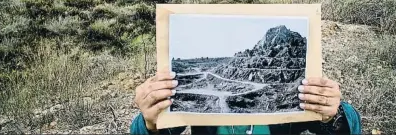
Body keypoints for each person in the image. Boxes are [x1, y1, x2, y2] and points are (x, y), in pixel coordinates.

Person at [130, 70, 362, 134]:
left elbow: (350, 125)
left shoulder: (295, 81)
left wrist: (334, 112)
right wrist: (149, 123)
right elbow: (156, 126)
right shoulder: (184, 83)